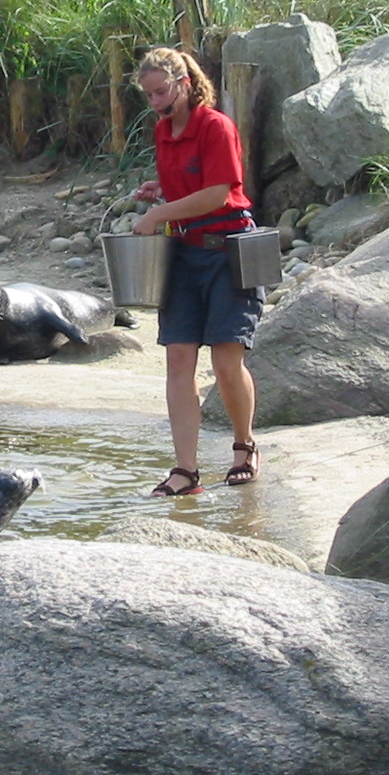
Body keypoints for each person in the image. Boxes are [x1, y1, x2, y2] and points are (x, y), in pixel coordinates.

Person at [130, 46, 264, 496]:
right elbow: (186, 184)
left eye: (161, 92)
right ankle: (185, 471)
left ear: (184, 83)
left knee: (227, 361)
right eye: (148, 96)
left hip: (228, 252)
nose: (156, 103)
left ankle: (244, 445)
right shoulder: (164, 130)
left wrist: (160, 212)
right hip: (184, 255)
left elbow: (217, 194)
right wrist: (160, 192)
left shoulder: (216, 126)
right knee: (178, 359)